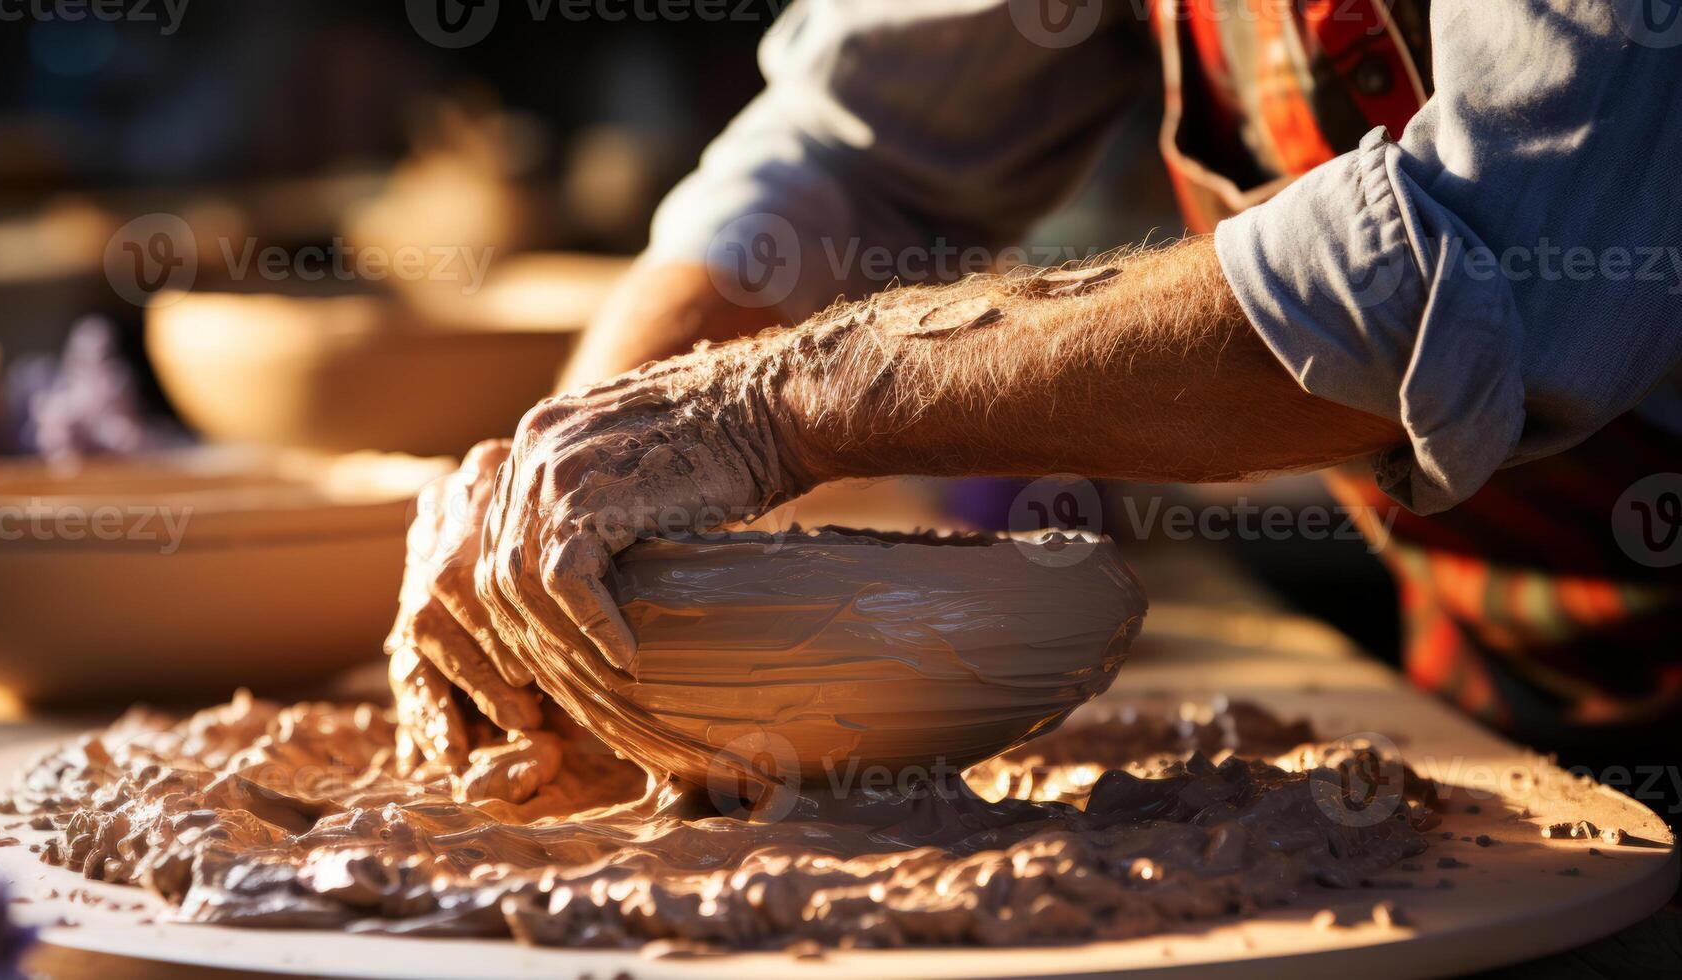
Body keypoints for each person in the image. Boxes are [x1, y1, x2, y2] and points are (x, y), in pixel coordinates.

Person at [386, 0, 1682, 800]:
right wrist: (567, 505)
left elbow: (1494, 262)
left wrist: (775, 405)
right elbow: (858, 147)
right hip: (1500, 656)